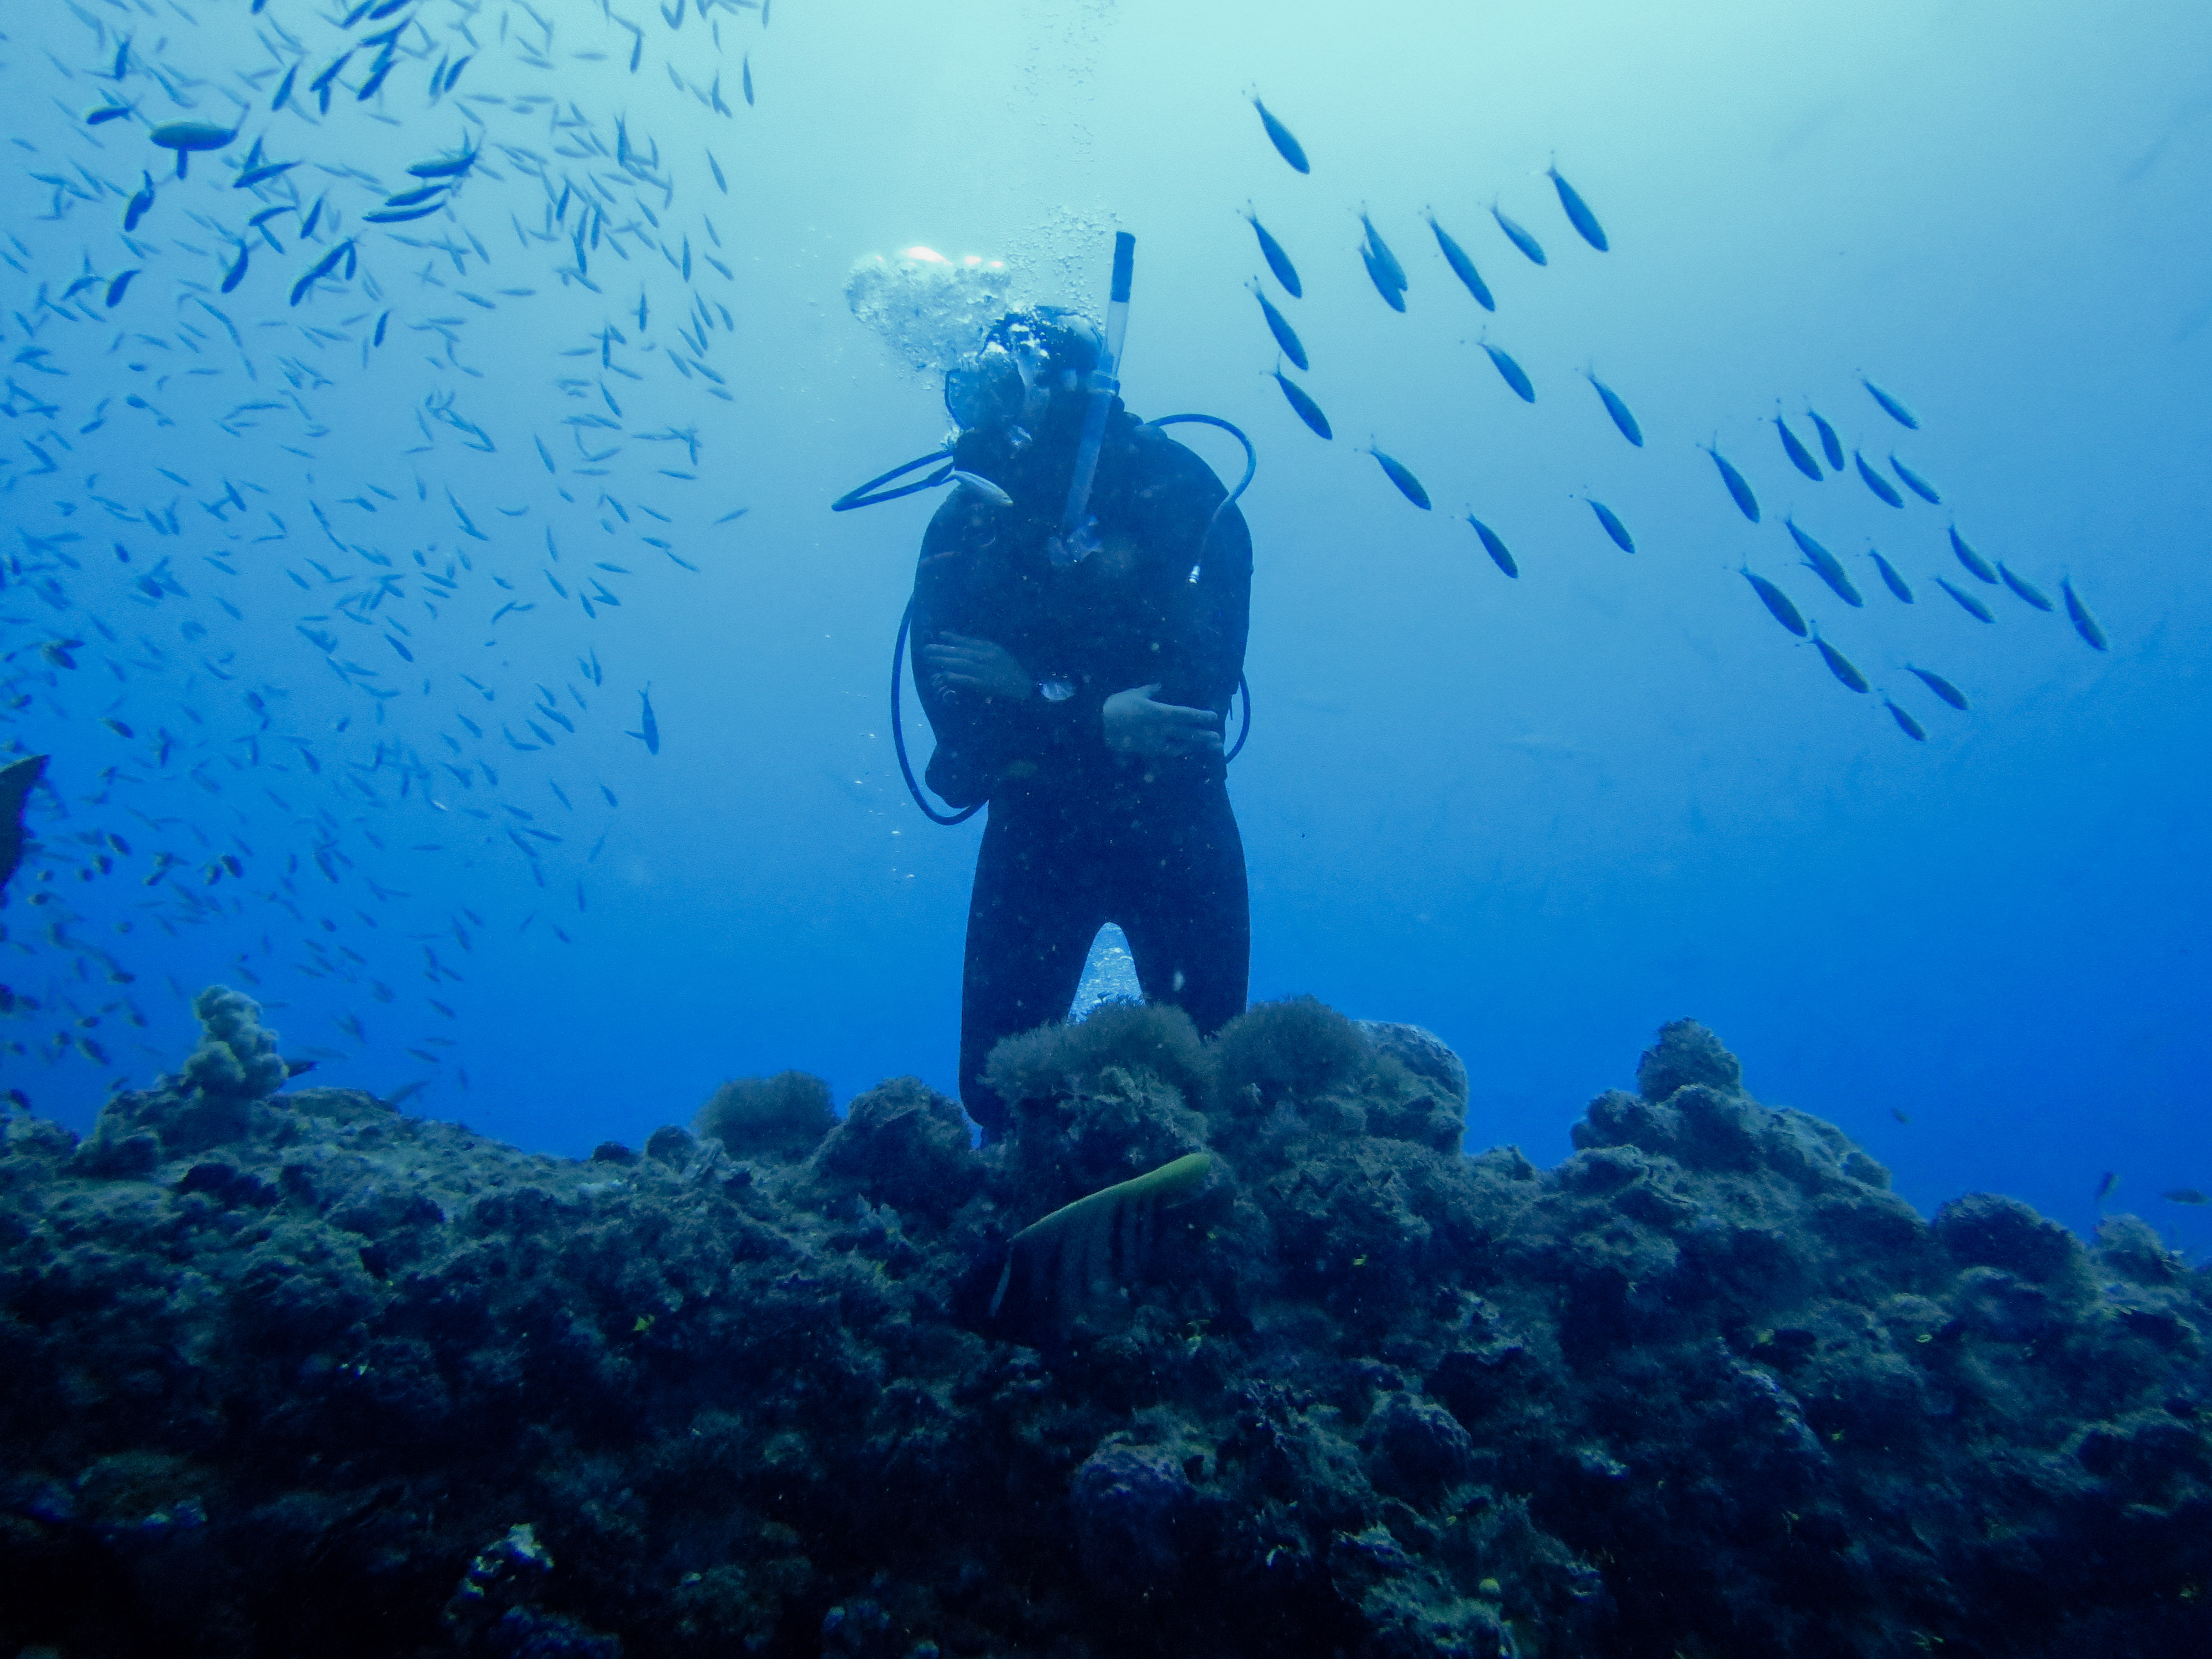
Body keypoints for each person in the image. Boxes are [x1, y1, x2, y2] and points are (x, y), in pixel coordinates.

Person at [910, 309, 1251, 1138]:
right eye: (978, 392)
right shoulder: (967, 524)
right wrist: (1096, 715)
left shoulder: (1179, 492)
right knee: (995, 1092)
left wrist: (1033, 696)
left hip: (1172, 822)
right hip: (1038, 832)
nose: (989, 416)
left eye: (1007, 390)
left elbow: (1194, 699)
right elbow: (956, 721)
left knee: (1214, 1081)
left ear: (1071, 390)